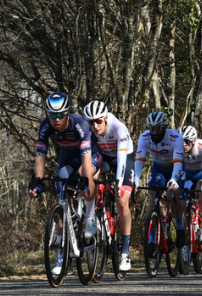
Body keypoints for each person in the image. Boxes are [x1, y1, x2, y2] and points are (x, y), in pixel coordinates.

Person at [28, 92, 100, 276]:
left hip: (88, 153)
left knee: (85, 175)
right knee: (61, 196)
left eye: (60, 114)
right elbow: (40, 154)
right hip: (67, 157)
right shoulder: (45, 126)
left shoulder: (80, 124)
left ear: (68, 112)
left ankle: (90, 217)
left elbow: (86, 155)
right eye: (52, 115)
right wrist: (38, 181)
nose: (56, 119)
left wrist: (84, 180)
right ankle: (62, 254)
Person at [82, 101, 135, 271]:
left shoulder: (118, 128)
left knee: (121, 200)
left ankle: (125, 252)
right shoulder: (89, 129)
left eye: (98, 121)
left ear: (105, 118)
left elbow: (121, 160)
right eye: (91, 122)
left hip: (123, 158)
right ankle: (92, 214)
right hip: (104, 157)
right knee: (91, 174)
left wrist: (119, 181)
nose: (95, 126)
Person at [134, 111, 184, 252]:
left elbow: (178, 163)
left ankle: (180, 227)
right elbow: (139, 161)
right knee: (153, 197)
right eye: (152, 128)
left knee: (171, 195)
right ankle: (151, 238)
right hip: (159, 169)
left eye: (158, 128)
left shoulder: (175, 137)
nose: (155, 132)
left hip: (176, 167)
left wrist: (174, 180)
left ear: (165, 126)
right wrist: (136, 179)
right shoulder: (144, 137)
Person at [169, 126, 202, 246]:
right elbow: (176, 168)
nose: (183, 145)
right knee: (182, 204)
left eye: (187, 141)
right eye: (181, 141)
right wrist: (172, 182)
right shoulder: (178, 148)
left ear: (194, 140)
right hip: (187, 175)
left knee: (201, 188)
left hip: (201, 174)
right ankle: (186, 239)